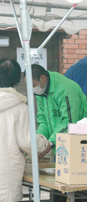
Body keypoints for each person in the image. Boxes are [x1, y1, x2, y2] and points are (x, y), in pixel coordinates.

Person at [0, 59, 49, 202]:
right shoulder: (20, 108)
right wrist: (45, 142)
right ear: (16, 81)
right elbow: (27, 142)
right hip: (6, 175)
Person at [31, 64, 87, 155]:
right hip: (60, 145)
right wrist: (39, 141)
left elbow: (70, 123)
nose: (32, 89)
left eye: (33, 85)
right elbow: (43, 121)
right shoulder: (41, 93)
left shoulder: (66, 90)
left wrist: (50, 143)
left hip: (80, 144)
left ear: (43, 78)